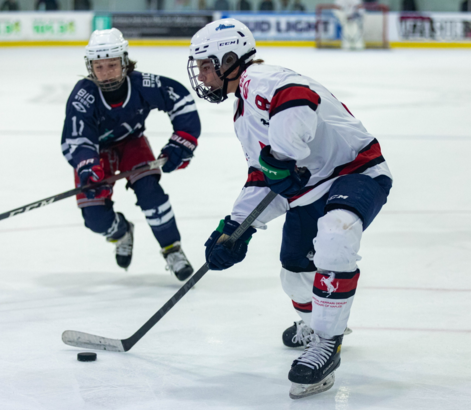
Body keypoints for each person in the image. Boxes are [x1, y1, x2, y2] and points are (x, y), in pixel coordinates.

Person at [187, 18, 392, 399]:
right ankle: (316, 323)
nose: (201, 75)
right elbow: (262, 177)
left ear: (229, 60)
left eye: (204, 65)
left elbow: (298, 98)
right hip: (310, 190)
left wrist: (282, 155)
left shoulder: (261, 79)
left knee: (336, 235)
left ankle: (327, 343)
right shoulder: (242, 115)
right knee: (294, 271)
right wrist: (235, 228)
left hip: (356, 171)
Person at [61, 28, 201, 281]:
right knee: (96, 220)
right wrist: (87, 166)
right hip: (95, 153)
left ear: (124, 62)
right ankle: (122, 232)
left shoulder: (142, 84)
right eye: (99, 67)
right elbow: (76, 138)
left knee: (151, 193)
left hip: (132, 144)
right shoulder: (83, 95)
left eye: (112, 65)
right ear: (90, 67)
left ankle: (172, 249)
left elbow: (180, 99)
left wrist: (182, 142)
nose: (106, 73)